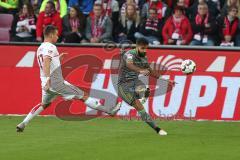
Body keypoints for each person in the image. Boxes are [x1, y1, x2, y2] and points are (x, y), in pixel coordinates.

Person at [16, 25, 121, 132]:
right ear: (51, 35)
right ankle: (110, 111)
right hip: (55, 82)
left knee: (44, 104)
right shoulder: (51, 47)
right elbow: (46, 61)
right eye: (56, 35)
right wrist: (48, 79)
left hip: (45, 84)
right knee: (83, 96)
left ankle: (23, 123)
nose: (57, 37)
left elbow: (47, 62)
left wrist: (58, 59)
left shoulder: (40, 48)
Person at [117, 37, 175, 136]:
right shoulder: (130, 54)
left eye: (146, 48)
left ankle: (142, 96)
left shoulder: (144, 57)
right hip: (123, 85)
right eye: (142, 48)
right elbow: (130, 65)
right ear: (137, 46)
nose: (145, 50)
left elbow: (150, 71)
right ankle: (157, 129)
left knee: (143, 89)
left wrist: (166, 79)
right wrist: (140, 70)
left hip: (135, 82)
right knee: (140, 106)